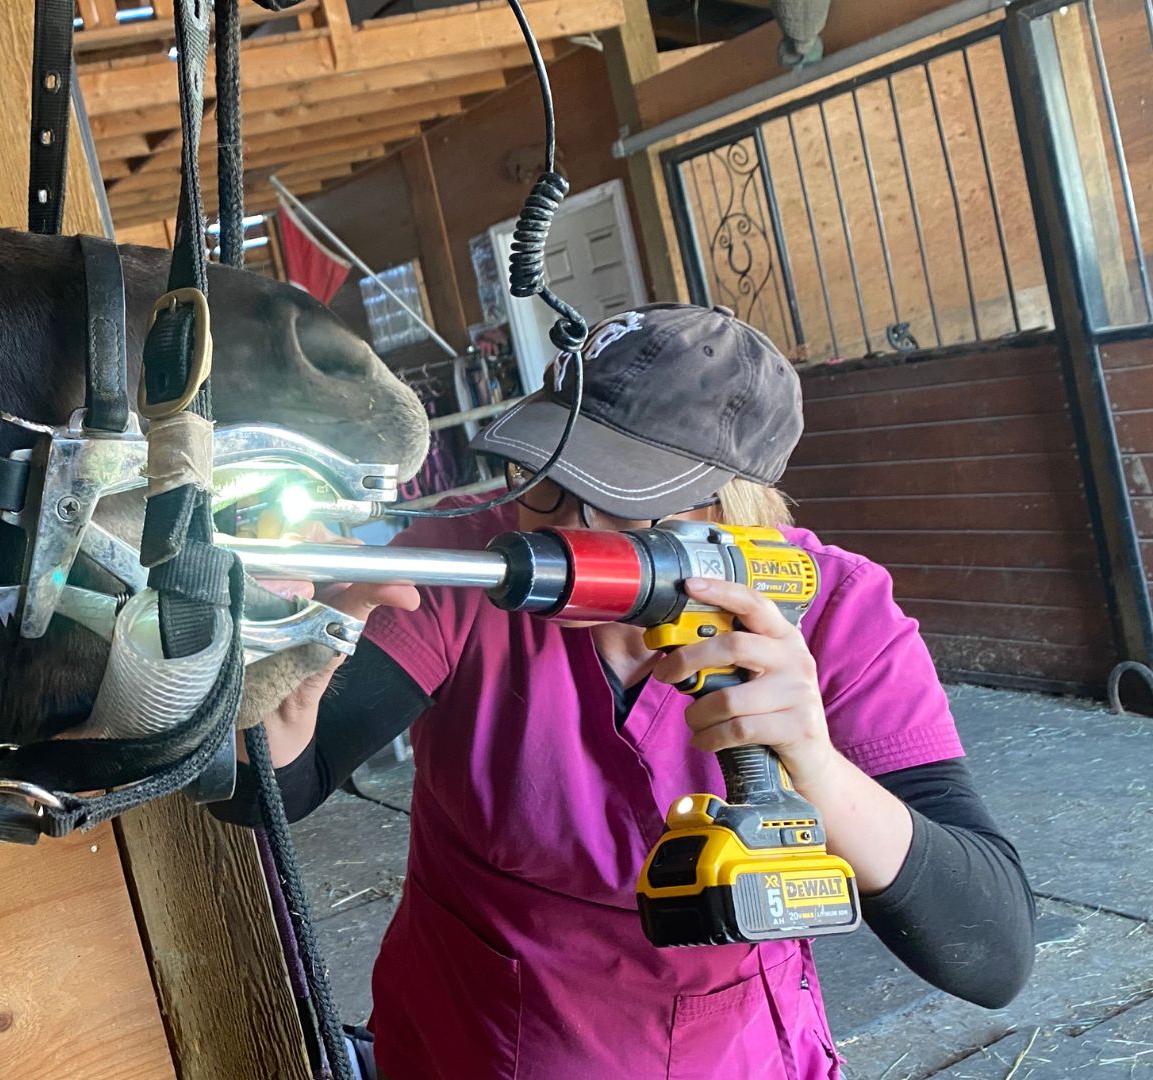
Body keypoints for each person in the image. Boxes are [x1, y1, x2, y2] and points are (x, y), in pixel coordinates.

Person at [214, 304, 1035, 1080]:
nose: (565, 531)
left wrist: (816, 767)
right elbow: (272, 788)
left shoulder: (838, 609)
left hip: (730, 1047)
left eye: (616, 500)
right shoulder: (470, 564)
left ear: (731, 511)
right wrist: (296, 660)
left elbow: (992, 952)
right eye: (545, 478)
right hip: (473, 1040)